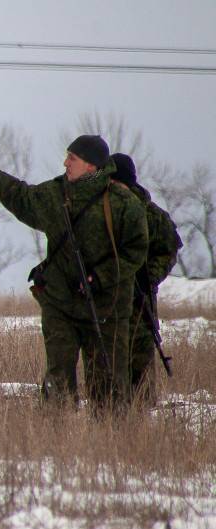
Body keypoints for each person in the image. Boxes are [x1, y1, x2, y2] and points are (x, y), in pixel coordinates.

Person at [0, 135, 147, 410]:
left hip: (107, 307)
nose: (65, 163)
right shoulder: (56, 194)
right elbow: (21, 197)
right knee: (58, 378)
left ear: (90, 165)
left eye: (72, 158)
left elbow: (136, 250)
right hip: (61, 301)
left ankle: (110, 443)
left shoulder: (123, 203)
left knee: (108, 386)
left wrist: (100, 277)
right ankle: (55, 437)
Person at [110, 152, 184, 403]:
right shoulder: (104, 210)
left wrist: (148, 278)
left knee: (139, 358)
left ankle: (141, 413)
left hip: (140, 299)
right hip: (108, 296)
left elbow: (169, 250)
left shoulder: (152, 215)